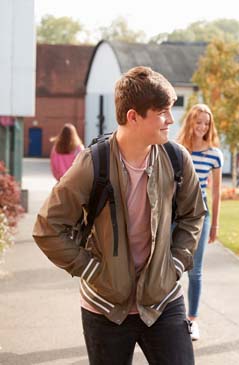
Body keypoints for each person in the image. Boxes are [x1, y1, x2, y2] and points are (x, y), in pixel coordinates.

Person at [33, 66, 206, 365]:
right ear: (133, 117)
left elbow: (193, 215)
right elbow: (47, 227)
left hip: (163, 300)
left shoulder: (177, 158)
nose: (171, 120)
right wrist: (90, 270)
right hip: (104, 307)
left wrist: (175, 263)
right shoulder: (93, 163)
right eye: (162, 112)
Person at [177, 104, 223, 341]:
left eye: (206, 123)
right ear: (190, 122)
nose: (202, 127)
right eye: (198, 122)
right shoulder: (178, 150)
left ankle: (192, 320)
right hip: (176, 215)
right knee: (168, 268)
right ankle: (168, 318)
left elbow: (215, 193)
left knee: (195, 272)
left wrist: (214, 224)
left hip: (200, 217)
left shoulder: (214, 154)